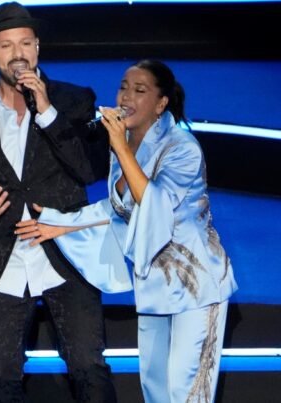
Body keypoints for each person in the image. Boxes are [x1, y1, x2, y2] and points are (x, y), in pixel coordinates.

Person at [20, 60, 238, 403]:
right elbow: (119, 209)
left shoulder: (182, 147)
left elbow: (155, 207)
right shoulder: (127, 144)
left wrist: (120, 147)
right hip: (153, 285)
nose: (126, 96)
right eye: (124, 87)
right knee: (155, 390)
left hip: (197, 287)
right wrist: (62, 224)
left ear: (161, 103)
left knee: (187, 392)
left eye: (140, 90)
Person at [0, 2, 116, 402]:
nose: (18, 53)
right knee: (1, 377)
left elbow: (88, 170)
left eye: (26, 42)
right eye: (6, 45)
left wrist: (47, 113)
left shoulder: (74, 101)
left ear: (38, 48)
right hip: (3, 257)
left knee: (89, 369)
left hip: (66, 250)